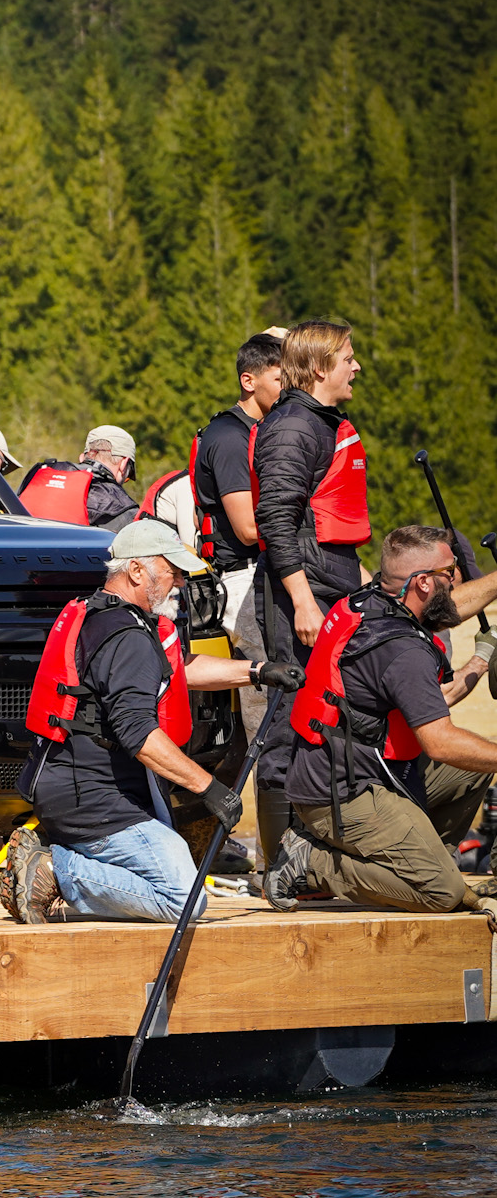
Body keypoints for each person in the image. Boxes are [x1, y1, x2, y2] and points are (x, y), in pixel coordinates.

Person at [3, 519, 304, 924]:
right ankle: (55, 870)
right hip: (94, 800)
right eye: (172, 571)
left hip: (68, 786)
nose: (179, 582)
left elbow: (177, 668)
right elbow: (139, 734)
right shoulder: (126, 636)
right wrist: (210, 788)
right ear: (136, 571)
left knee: (172, 868)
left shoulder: (103, 614)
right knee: (184, 900)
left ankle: (60, 850)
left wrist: (257, 671)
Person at [267, 526, 497, 916]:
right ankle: (310, 863)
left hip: (345, 769)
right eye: (450, 571)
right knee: (443, 893)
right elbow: (439, 742)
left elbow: (448, 607)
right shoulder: (403, 651)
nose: (457, 577)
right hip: (342, 793)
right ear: (423, 582)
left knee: (471, 770)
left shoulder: (370, 601)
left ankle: (421, 863)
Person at [247, 319, 372, 869]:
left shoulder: (324, 422)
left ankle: (320, 858)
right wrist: (302, 600)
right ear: (320, 366)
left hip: (333, 584)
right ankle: (282, 869)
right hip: (304, 593)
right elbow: (274, 519)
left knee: (328, 716)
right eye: (348, 356)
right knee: (287, 720)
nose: (357, 366)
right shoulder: (294, 426)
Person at [190, 331, 285, 743]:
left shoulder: (258, 430)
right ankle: (272, 791)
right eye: (281, 380)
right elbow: (248, 529)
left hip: (260, 570)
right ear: (249, 381)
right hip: (242, 578)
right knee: (267, 693)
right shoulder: (230, 438)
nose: (288, 391)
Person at [17, 425, 140, 532]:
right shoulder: (122, 507)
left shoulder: (38, 475)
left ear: (82, 458)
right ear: (124, 464)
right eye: (127, 477)